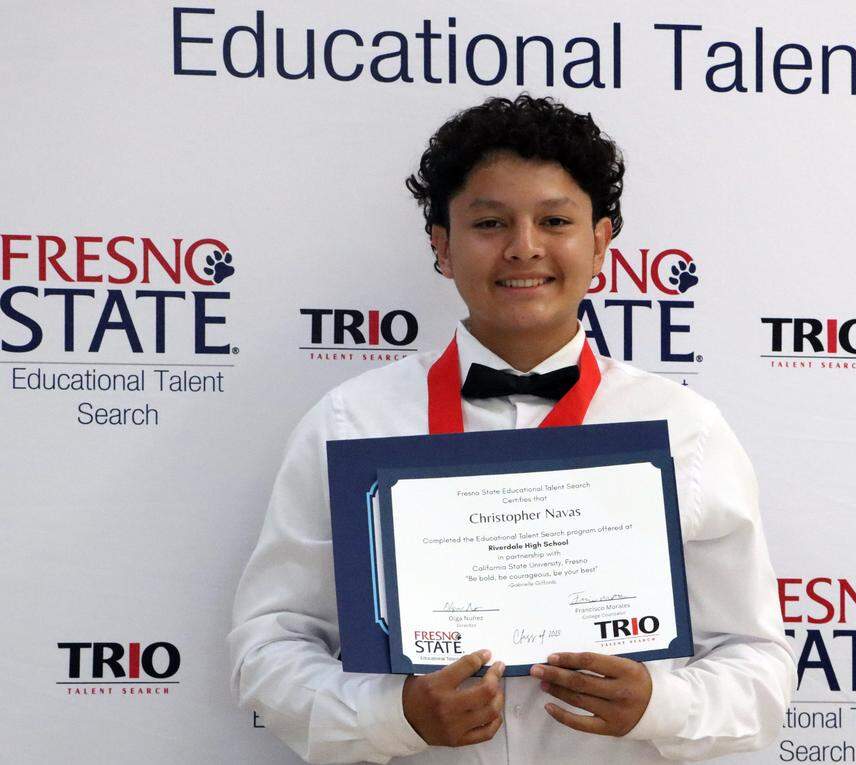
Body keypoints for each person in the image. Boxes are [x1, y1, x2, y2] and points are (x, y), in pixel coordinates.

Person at [229, 94, 794, 764]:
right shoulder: (351, 422)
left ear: (599, 242)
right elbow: (270, 642)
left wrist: (659, 704)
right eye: (490, 222)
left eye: (554, 220)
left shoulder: (684, 430)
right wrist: (393, 714)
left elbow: (758, 664)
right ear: (442, 245)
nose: (524, 247)